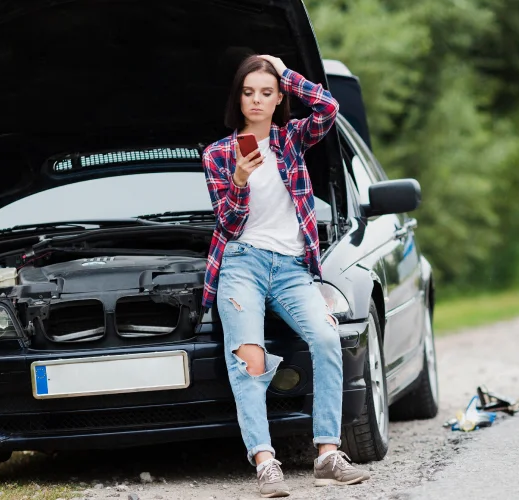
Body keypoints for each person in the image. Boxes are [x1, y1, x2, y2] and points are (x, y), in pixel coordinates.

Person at [201, 54, 371, 497]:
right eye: (248, 92)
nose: (256, 100)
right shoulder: (218, 154)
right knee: (249, 361)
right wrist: (238, 180)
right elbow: (228, 224)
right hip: (242, 264)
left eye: (266, 92)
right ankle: (265, 462)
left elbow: (329, 108)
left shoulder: (292, 139)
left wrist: (286, 72)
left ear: (278, 99)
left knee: (327, 338)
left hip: (293, 269)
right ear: (238, 99)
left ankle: (328, 455)